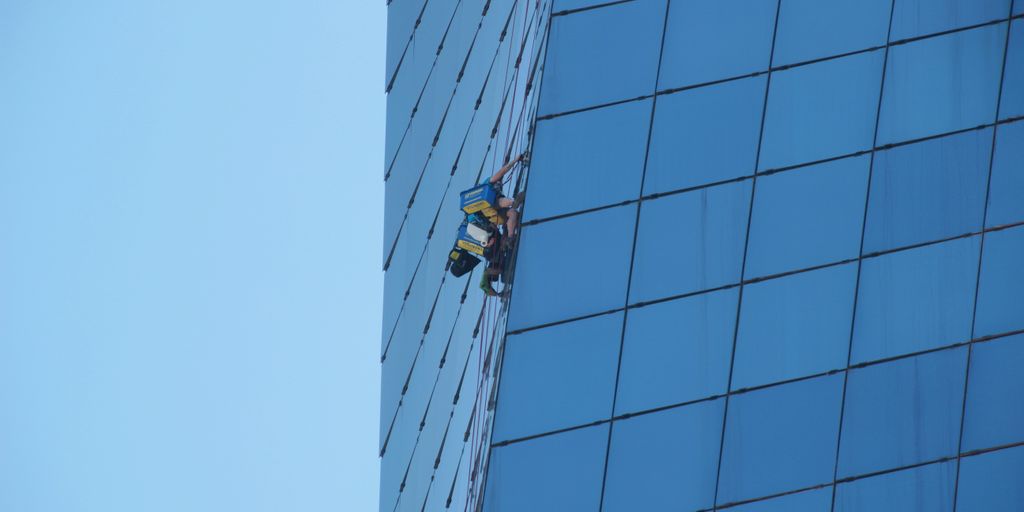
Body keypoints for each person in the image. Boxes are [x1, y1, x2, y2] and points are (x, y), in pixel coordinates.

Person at [485, 152, 528, 240]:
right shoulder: (488, 183)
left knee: (513, 213)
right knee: (497, 201)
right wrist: (516, 160)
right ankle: (513, 202)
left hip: (491, 216)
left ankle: (510, 237)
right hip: (493, 206)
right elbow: (503, 171)